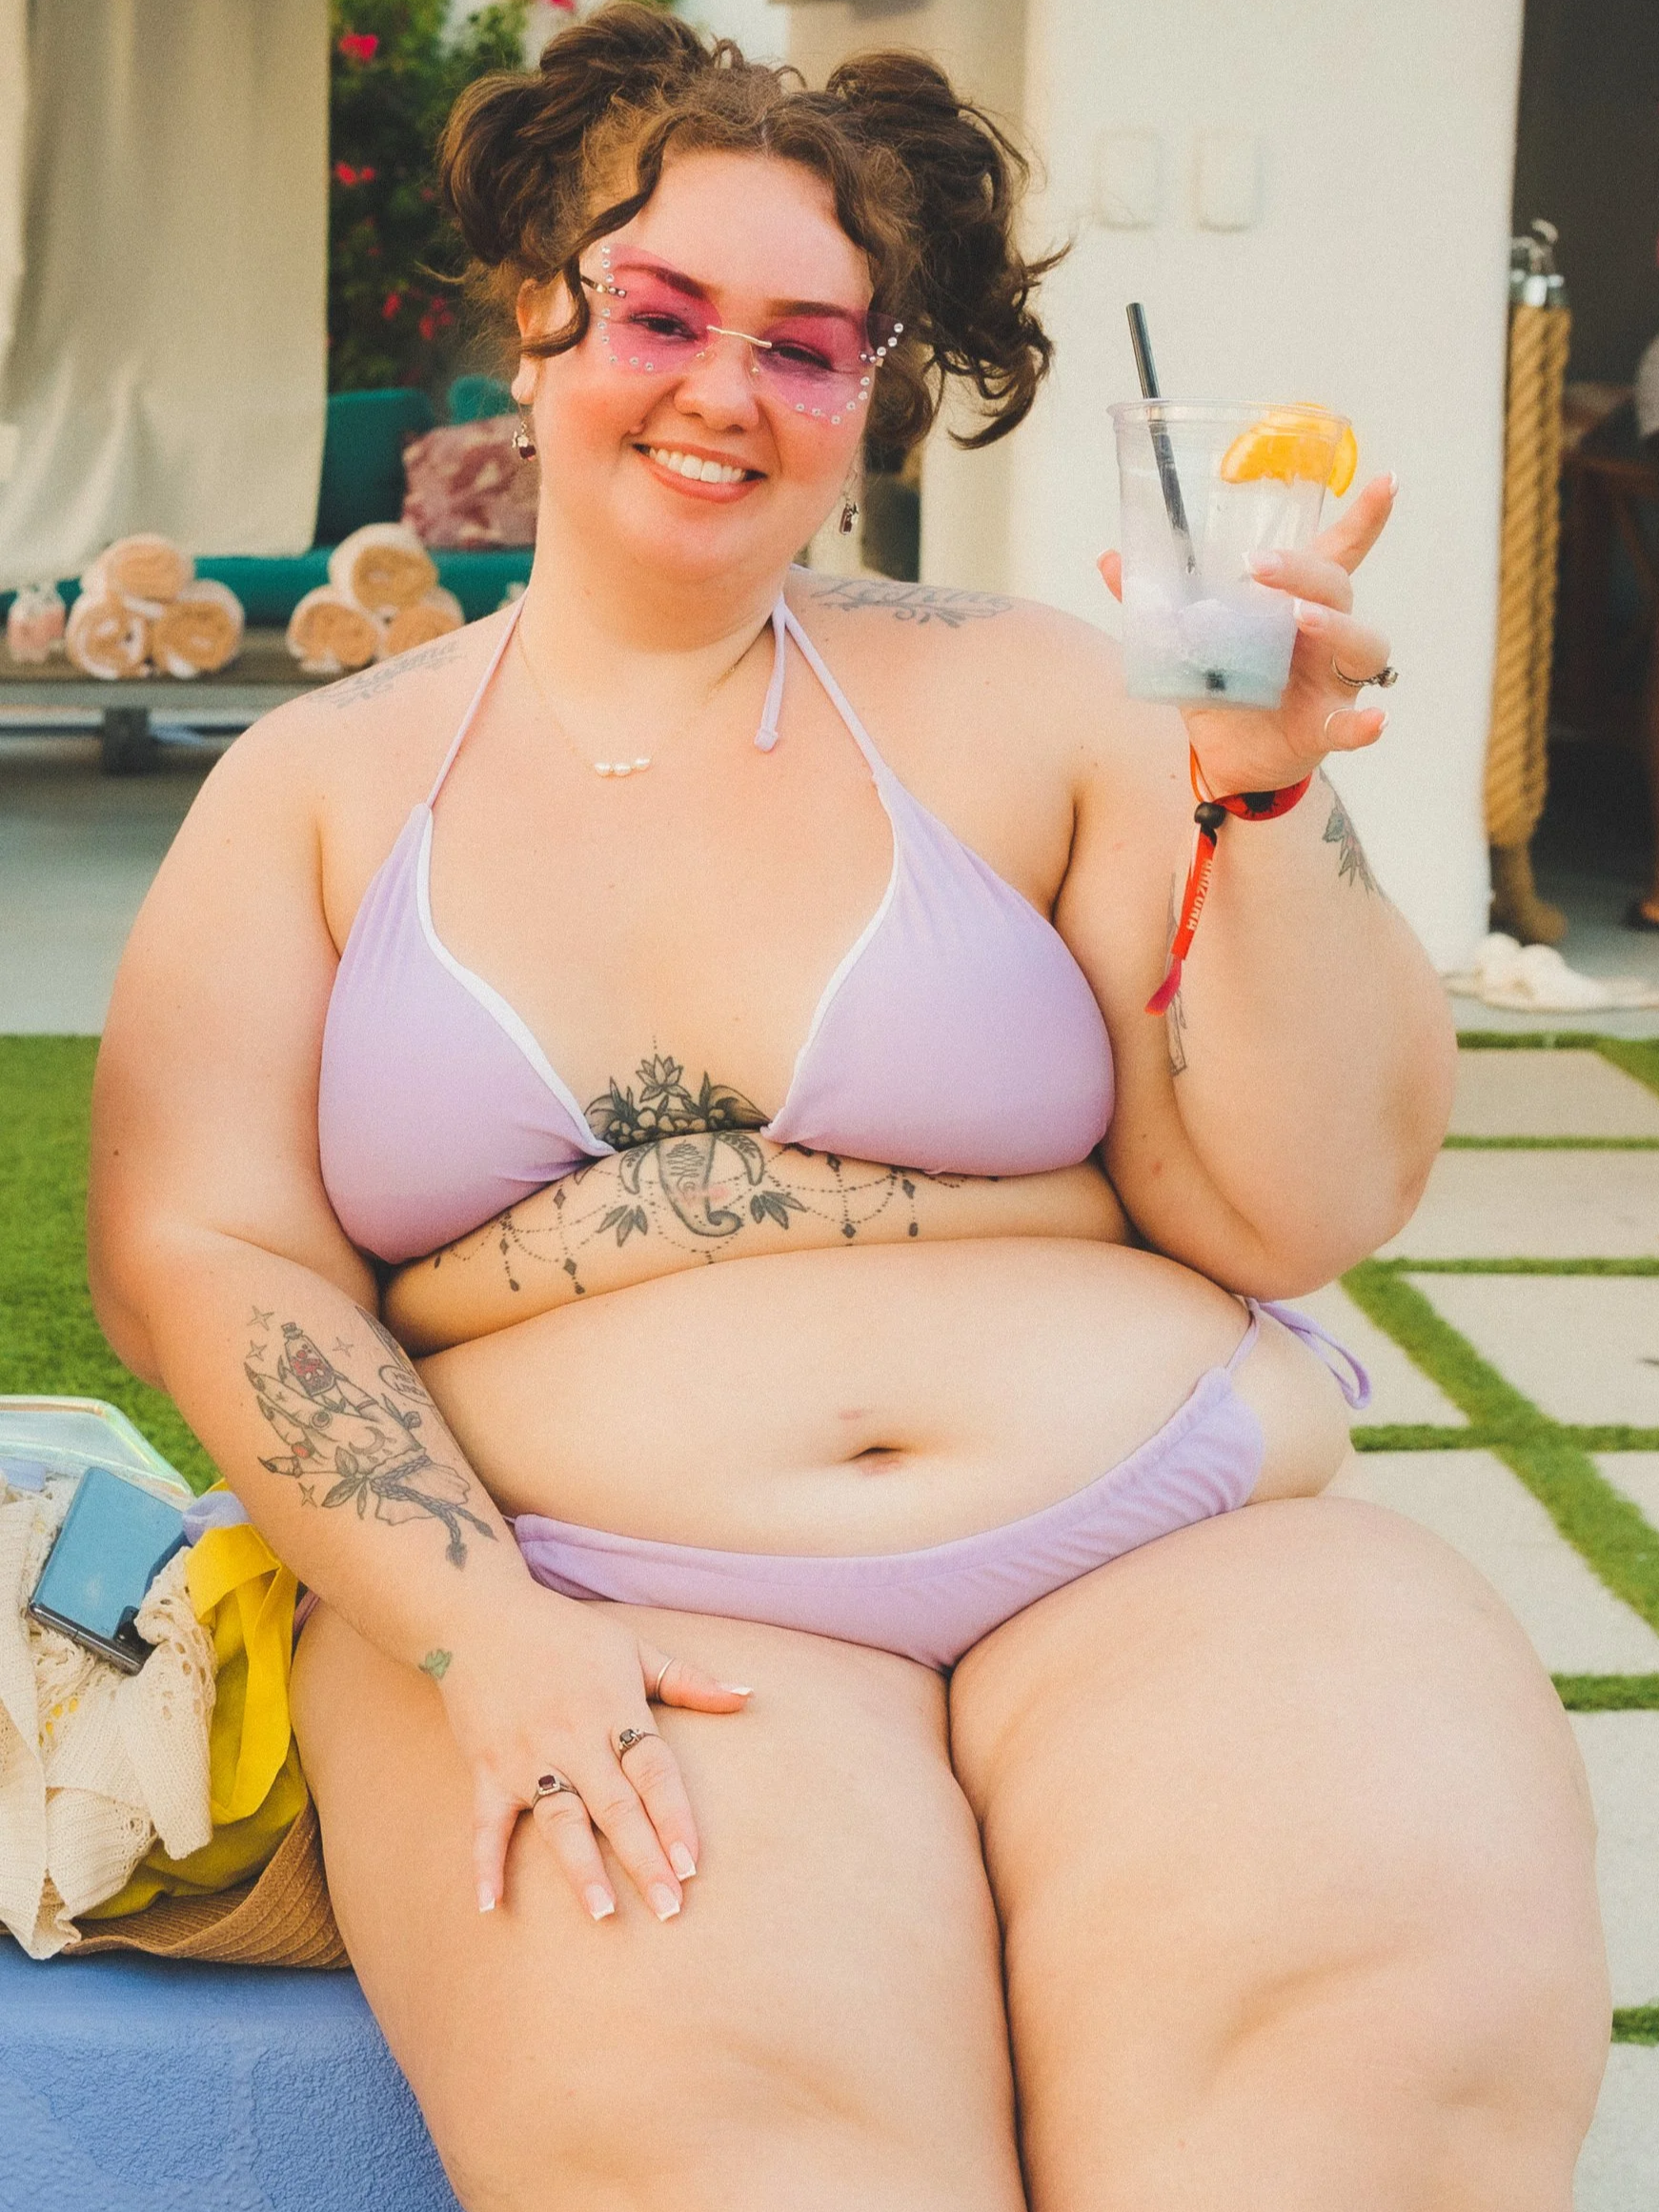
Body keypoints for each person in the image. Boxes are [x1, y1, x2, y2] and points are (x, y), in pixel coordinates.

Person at [89, 8, 1608, 2206]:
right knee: (746, 2162)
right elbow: (201, 1251)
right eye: (666, 313)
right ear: (536, 318)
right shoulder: (313, 794)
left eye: (807, 344)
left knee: (1365, 2097)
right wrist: (478, 1631)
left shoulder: (1041, 693)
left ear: (872, 389)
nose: (729, 389)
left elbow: (1300, 1203)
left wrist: (1268, 801)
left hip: (1171, 1545)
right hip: (603, 1603)